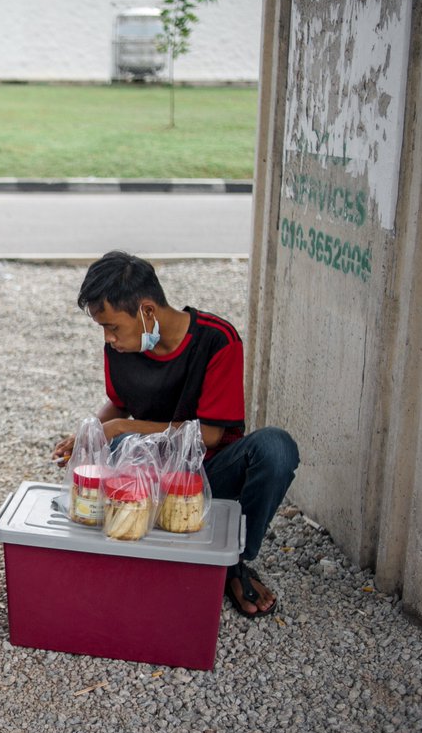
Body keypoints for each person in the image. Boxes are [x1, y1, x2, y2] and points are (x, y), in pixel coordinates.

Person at [52, 250, 298, 618]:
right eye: (102, 328)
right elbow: (118, 405)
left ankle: (232, 562)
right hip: (148, 476)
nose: (108, 338)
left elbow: (212, 435)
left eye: (113, 327)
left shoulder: (218, 340)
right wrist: (89, 433)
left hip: (208, 477)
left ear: (147, 311)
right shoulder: (119, 348)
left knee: (276, 448)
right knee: (116, 443)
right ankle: (135, 554)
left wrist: (120, 428)